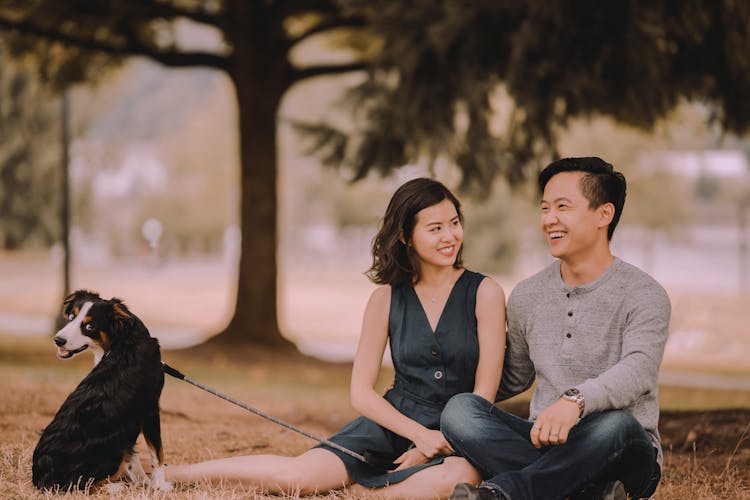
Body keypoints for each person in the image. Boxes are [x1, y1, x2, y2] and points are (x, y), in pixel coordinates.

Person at [165, 177, 506, 499]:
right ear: (405, 236)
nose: (450, 236)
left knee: (459, 478)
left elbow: (482, 398)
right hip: (391, 423)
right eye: (435, 228)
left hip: (458, 434)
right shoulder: (385, 299)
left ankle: (360, 494)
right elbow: (361, 393)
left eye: (454, 223)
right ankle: (169, 474)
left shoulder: (485, 293)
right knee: (298, 478)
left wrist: (434, 444)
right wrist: (417, 435)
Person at [441, 157, 671, 500]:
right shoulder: (528, 295)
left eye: (562, 207)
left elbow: (638, 371)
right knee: (460, 412)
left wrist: (575, 402)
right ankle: (588, 493)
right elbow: (512, 377)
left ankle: (503, 493)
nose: (549, 220)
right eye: (545, 208)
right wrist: (436, 378)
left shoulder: (644, 294)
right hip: (542, 442)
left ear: (603, 215)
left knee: (616, 424)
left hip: (622, 449)